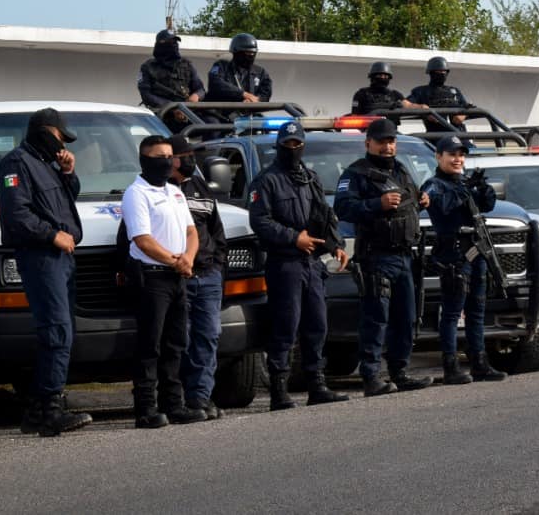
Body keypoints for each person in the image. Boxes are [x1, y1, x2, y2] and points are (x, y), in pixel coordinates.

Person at [0, 108, 93, 436]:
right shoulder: (17, 164)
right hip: (41, 256)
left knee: (64, 331)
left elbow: (64, 203)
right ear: (43, 131)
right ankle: (51, 408)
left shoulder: (48, 165)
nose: (62, 145)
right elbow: (16, 214)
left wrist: (68, 174)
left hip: (61, 259)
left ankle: (36, 410)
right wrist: (52, 235)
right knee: (57, 331)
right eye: (59, 138)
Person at [249, 121, 350, 410]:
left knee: (317, 325)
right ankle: (279, 392)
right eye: (287, 144)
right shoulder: (266, 181)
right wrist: (295, 239)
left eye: (297, 144)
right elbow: (260, 221)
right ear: (279, 146)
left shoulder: (311, 177)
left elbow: (324, 214)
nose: (292, 149)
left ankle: (316, 385)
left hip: (312, 263)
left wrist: (336, 245)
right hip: (285, 263)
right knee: (285, 326)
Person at [334, 119, 434, 396]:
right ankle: (371, 376)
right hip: (377, 257)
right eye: (382, 141)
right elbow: (343, 208)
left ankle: (399, 372)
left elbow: (407, 203)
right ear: (369, 143)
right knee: (376, 318)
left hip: (404, 256)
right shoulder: (356, 174)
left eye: (391, 141)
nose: (388, 146)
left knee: (406, 317)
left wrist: (422, 200)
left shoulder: (401, 170)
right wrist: (375, 204)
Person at [121, 135, 202, 429]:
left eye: (170, 157)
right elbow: (142, 240)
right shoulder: (136, 193)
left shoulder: (175, 192)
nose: (167, 162)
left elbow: (191, 232)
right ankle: (145, 408)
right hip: (152, 277)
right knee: (150, 345)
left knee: (175, 343)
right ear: (145, 161)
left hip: (178, 276)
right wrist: (175, 260)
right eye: (160, 158)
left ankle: (174, 405)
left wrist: (188, 259)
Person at [421, 135, 507, 385]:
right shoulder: (435, 184)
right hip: (454, 254)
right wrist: (464, 189)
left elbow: (487, 205)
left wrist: (482, 187)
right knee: (451, 312)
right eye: (452, 154)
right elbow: (442, 204)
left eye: (461, 155)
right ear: (439, 157)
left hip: (476, 250)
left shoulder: (464, 182)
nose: (458, 159)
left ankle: (479, 362)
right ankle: (451, 366)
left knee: (477, 310)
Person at [169, 135, 228, 419]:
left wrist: (217, 267)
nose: (192, 159)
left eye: (194, 154)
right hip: (175, 277)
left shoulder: (200, 187)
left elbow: (217, 232)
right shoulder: (159, 190)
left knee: (208, 337)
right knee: (181, 339)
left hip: (208, 276)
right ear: (172, 159)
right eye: (187, 154)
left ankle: (200, 398)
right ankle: (177, 399)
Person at [138, 29, 205, 134]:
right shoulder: (148, 67)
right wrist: (172, 107)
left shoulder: (186, 65)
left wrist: (196, 96)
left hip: (188, 113)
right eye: (170, 43)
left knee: (212, 124)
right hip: (162, 116)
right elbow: (146, 94)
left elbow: (200, 89)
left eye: (175, 42)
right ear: (160, 45)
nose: (174, 45)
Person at [407, 56, 471, 133]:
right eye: (439, 72)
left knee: (470, 145)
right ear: (431, 72)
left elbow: (467, 107)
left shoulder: (454, 91)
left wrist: (463, 115)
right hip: (436, 135)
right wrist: (421, 107)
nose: (442, 74)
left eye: (444, 72)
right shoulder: (421, 91)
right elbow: (405, 103)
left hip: (459, 133)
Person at [204, 33, 273, 104]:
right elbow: (216, 84)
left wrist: (256, 100)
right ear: (236, 53)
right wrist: (244, 94)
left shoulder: (260, 72)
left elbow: (266, 93)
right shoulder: (221, 66)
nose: (251, 56)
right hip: (219, 112)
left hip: (248, 112)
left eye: (253, 53)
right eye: (247, 53)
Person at [350, 61, 427, 116]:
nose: (383, 78)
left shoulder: (395, 94)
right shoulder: (361, 94)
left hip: (391, 132)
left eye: (386, 76)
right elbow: (354, 116)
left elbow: (408, 105)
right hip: (368, 132)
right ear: (372, 77)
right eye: (379, 75)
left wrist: (421, 107)